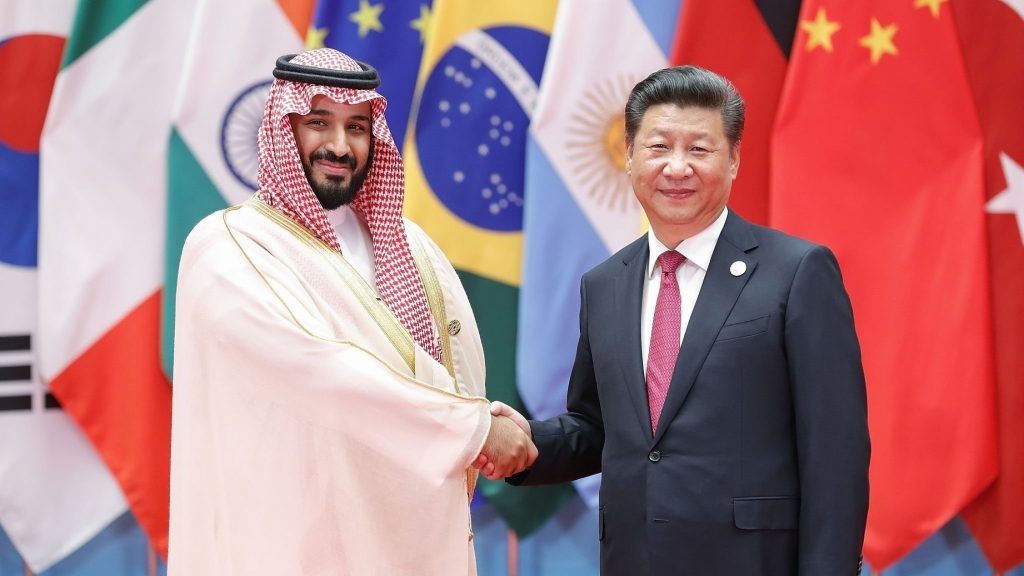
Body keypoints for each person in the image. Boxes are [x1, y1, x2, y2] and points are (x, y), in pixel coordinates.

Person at [167, 48, 535, 575]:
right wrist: (472, 430)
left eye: (357, 127)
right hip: (291, 546)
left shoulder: (411, 244)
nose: (340, 146)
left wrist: (485, 415)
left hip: (408, 540)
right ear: (281, 127)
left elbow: (448, 368)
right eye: (319, 123)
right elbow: (317, 371)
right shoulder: (229, 247)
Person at [491, 65, 870, 574]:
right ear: (628, 155)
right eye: (659, 146)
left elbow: (835, 451)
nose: (677, 167)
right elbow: (601, 428)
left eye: (699, 149)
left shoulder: (796, 272)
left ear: (734, 159)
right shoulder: (604, 284)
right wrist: (530, 445)